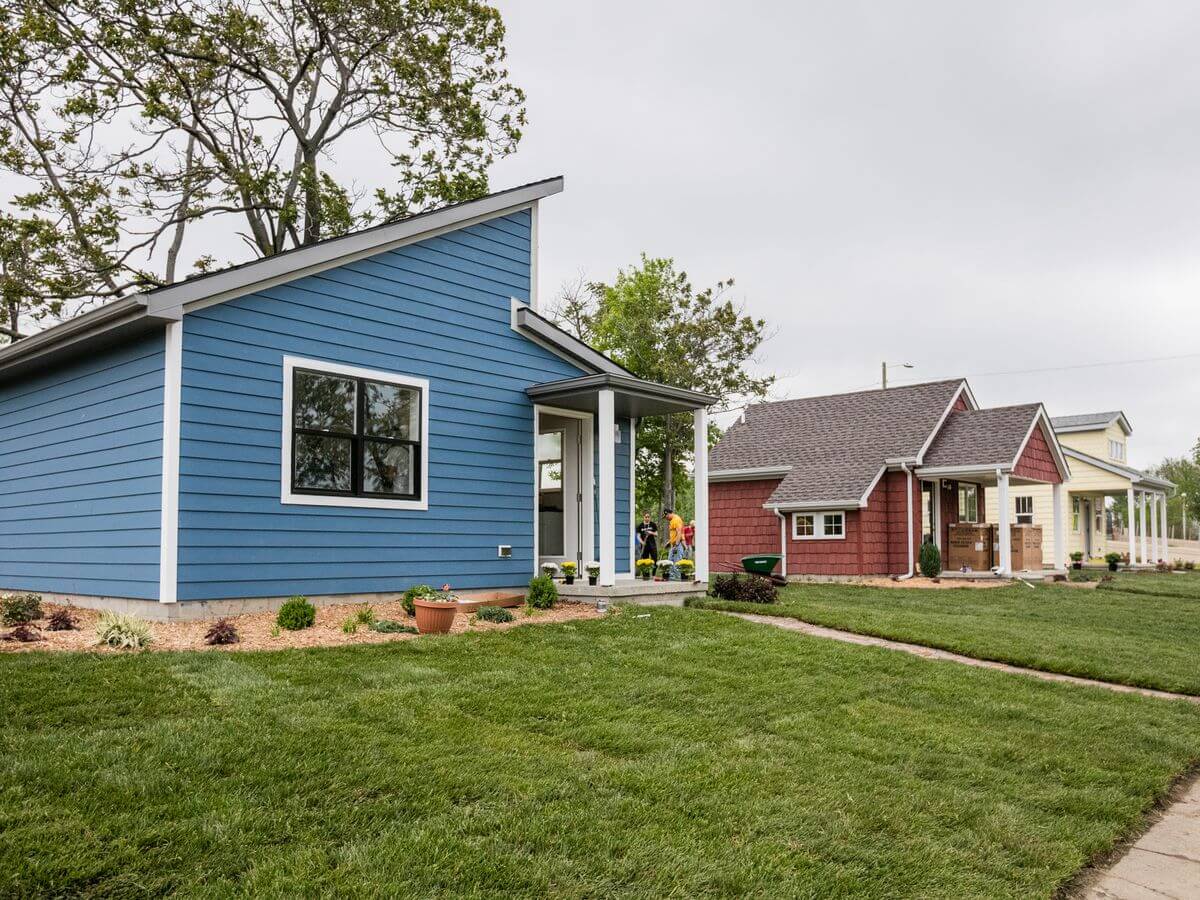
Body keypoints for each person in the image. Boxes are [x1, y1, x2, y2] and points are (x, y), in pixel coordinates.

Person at [665, 507, 685, 578]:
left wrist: (676, 545)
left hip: (677, 545)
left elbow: (679, 533)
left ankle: (678, 579)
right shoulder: (672, 520)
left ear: (668, 514)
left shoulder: (676, 519)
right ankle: (671, 578)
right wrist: (669, 542)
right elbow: (674, 534)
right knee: (670, 561)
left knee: (677, 563)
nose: (666, 518)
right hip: (673, 545)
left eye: (666, 516)